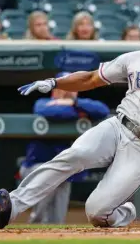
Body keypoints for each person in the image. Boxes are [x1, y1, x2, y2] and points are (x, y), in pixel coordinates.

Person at [0, 4, 140, 229]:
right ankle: (12, 205)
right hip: (118, 126)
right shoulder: (136, 58)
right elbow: (92, 78)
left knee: (96, 212)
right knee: (74, 155)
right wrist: (55, 82)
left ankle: (124, 212)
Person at [20, 71, 110, 224]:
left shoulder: (80, 105)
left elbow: (102, 110)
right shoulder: (42, 102)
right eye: (66, 88)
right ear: (55, 90)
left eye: (72, 88)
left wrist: (74, 103)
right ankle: (35, 224)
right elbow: (48, 111)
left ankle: (52, 234)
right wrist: (76, 110)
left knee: (57, 219)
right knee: (51, 181)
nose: (69, 92)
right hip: (37, 166)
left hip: (65, 169)